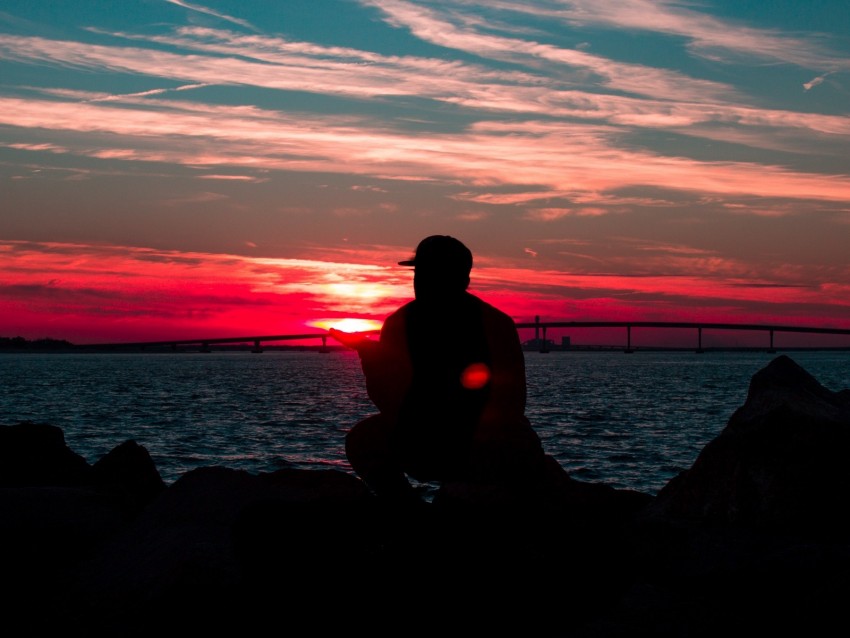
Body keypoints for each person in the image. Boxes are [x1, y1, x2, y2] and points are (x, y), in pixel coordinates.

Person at [332, 235, 548, 504]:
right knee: (363, 439)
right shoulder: (496, 322)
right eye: (419, 273)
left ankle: (413, 510)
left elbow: (390, 402)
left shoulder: (403, 323)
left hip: (464, 441)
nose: (420, 281)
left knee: (364, 441)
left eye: (429, 273)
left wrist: (369, 355)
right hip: (449, 440)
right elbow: (514, 401)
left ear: (461, 279)